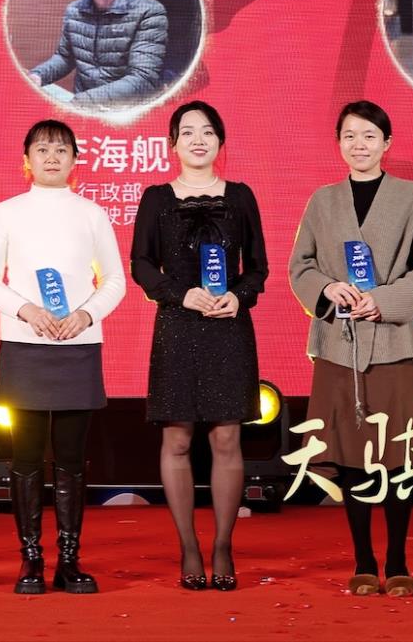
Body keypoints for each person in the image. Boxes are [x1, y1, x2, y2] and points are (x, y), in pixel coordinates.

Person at [287, 100, 413, 598]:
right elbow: (301, 266)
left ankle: (397, 561)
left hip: (395, 341)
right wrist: (327, 288)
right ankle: (363, 561)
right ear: (339, 143)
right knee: (352, 456)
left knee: (398, 457)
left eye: (370, 136)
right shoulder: (323, 201)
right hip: (340, 345)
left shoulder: (411, 197)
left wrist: (384, 301)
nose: (359, 145)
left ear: (387, 143)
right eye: (350, 136)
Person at [0, 120, 127, 595]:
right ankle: (31, 559)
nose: (52, 157)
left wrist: (85, 315)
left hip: (77, 346)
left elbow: (115, 281)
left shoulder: (92, 214)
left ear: (76, 160)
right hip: (24, 346)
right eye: (42, 150)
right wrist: (27, 311)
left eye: (62, 150)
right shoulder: (7, 212)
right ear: (27, 161)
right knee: (24, 457)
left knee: (71, 459)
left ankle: (69, 559)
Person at [129, 101, 267, 592]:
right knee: (178, 440)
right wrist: (178, 294)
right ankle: (188, 546)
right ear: (173, 144)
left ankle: (223, 546)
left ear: (220, 141)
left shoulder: (241, 196)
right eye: (187, 132)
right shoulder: (157, 198)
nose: (198, 140)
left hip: (227, 326)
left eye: (207, 132)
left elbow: (258, 267)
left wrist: (238, 295)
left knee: (227, 439)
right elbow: (141, 264)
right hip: (178, 326)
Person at [28, 0, 170, 111]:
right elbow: (65, 57)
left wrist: (82, 102)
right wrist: (38, 76)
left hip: (125, 111)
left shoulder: (149, 11)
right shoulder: (74, 10)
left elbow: (143, 78)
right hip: (82, 106)